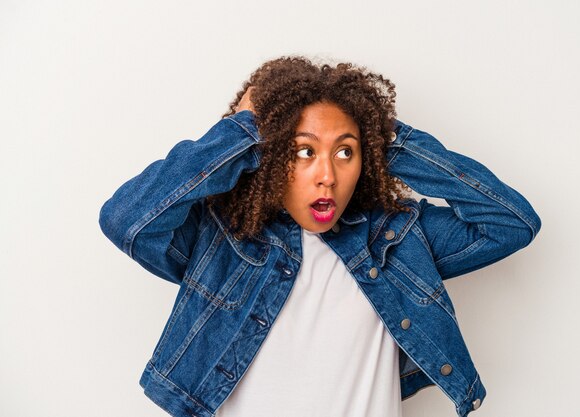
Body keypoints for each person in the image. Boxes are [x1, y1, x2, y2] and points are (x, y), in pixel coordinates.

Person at [98, 56, 541, 417]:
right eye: (303, 151)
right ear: (267, 158)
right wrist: (244, 130)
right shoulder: (222, 240)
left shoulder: (398, 238)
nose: (326, 175)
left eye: (346, 151)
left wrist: (388, 139)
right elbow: (127, 220)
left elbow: (510, 223)